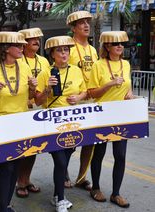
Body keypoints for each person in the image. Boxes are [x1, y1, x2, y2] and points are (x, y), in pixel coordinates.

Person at [0, 31, 37, 212]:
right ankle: (4, 208)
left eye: (22, 45)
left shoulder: (24, 66)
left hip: (21, 121)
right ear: (6, 49)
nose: (22, 48)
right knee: (7, 168)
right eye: (18, 46)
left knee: (16, 166)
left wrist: (33, 88)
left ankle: (8, 204)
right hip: (1, 123)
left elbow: (31, 96)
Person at [35, 35, 87, 212]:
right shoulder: (45, 73)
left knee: (64, 159)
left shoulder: (76, 70)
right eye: (59, 50)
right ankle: (60, 199)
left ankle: (57, 196)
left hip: (72, 122)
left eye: (66, 50)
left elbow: (84, 91)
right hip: (52, 122)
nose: (63, 53)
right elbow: (37, 101)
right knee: (60, 161)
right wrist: (48, 88)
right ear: (52, 54)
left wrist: (78, 97)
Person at [88, 31, 133, 208]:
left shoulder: (126, 64)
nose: (120, 46)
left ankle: (116, 193)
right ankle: (96, 188)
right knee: (99, 154)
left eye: (122, 43)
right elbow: (92, 92)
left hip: (122, 115)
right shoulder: (98, 66)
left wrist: (129, 92)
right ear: (107, 46)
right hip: (102, 114)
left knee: (120, 155)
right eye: (116, 44)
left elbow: (127, 86)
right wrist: (109, 84)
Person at [15, 27, 50, 198]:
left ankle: (26, 179)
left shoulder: (43, 60)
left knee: (34, 148)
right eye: (32, 39)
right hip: (21, 109)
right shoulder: (17, 60)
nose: (36, 41)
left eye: (38, 38)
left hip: (39, 108)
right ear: (24, 43)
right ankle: (19, 182)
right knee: (21, 148)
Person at [66, 10, 98, 190]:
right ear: (73, 28)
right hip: (73, 101)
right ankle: (63, 173)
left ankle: (82, 177)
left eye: (88, 22)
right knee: (69, 142)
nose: (86, 25)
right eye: (81, 23)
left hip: (90, 101)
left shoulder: (93, 50)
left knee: (89, 142)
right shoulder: (67, 47)